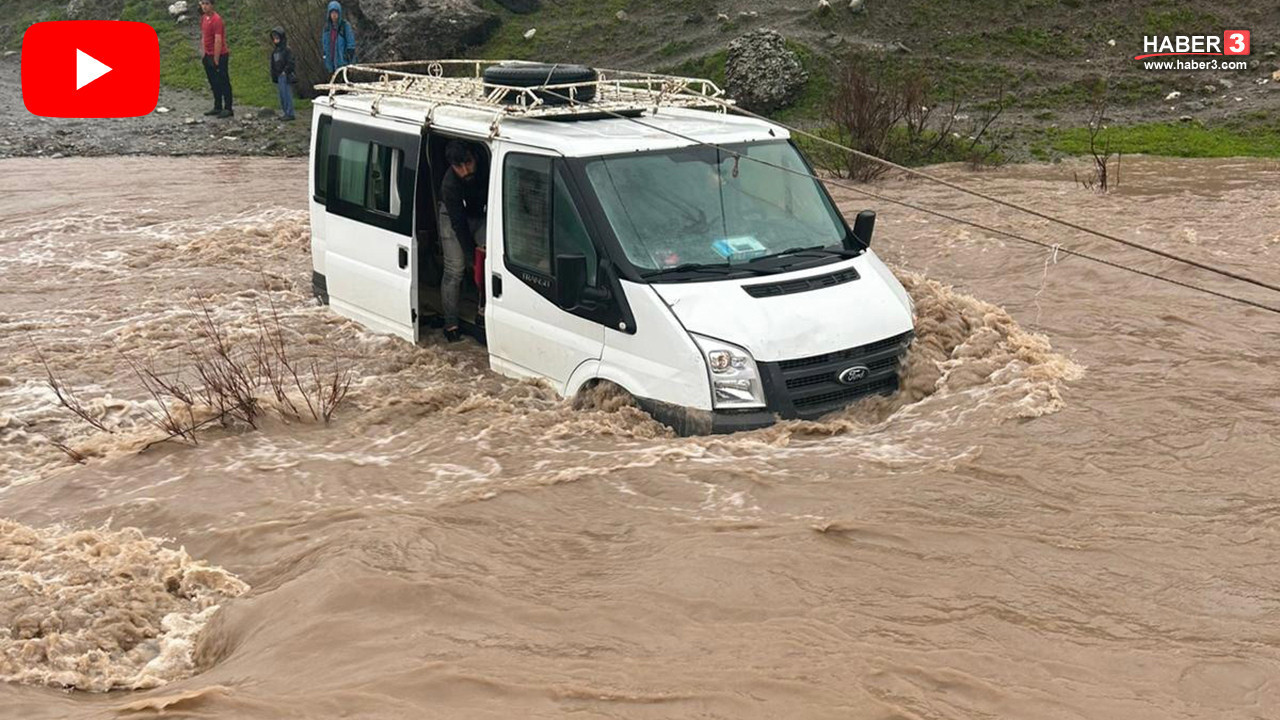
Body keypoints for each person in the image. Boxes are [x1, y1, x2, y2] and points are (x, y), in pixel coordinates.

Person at [439, 141, 488, 342]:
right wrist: (470, 256)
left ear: (475, 157)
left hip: (480, 213)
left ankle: (483, 311)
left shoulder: (486, 163)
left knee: (489, 263)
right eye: (459, 167)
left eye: (468, 163)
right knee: (454, 269)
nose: (465, 170)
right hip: (452, 217)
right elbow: (459, 224)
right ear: (452, 166)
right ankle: (450, 324)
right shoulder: (449, 185)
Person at [198, 0, 233, 118]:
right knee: (213, 82)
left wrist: (216, 58)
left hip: (219, 55)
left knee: (223, 81)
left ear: (212, 5)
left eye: (207, 4)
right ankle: (217, 105)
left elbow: (218, 40)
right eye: (203, 4)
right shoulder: (203, 18)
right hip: (208, 55)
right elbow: (203, 36)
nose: (204, 6)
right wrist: (203, 53)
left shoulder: (217, 20)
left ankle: (228, 107)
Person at [268, 27, 296, 121]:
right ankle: (285, 112)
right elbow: (273, 65)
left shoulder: (287, 50)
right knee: (282, 96)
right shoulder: (275, 52)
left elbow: (291, 62)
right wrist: (274, 76)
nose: (275, 40)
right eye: (274, 38)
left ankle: (290, 113)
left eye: (277, 38)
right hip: (279, 75)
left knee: (287, 95)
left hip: (285, 75)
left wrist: (285, 71)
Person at [321, 1, 356, 75]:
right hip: (331, 66)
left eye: (336, 13)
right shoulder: (326, 29)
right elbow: (325, 46)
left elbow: (351, 45)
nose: (334, 15)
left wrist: (348, 60)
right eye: (332, 13)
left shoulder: (344, 26)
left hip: (343, 65)